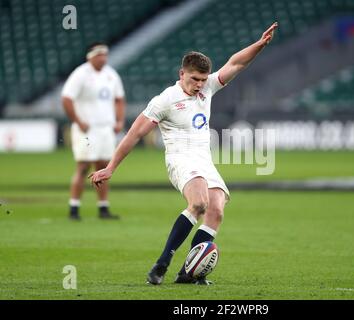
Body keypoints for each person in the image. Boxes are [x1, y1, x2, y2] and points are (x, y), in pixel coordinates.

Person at [89, 22, 278, 284]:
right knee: (199, 203)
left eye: (203, 79)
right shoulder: (165, 100)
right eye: (194, 79)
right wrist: (111, 167)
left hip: (204, 159)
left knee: (217, 210)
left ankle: (188, 273)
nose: (199, 85)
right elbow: (134, 133)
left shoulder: (208, 87)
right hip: (180, 158)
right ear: (181, 74)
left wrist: (259, 44)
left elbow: (236, 63)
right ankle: (162, 262)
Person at [62, 42, 126, 220]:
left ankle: (103, 207)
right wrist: (78, 120)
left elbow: (119, 99)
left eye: (105, 54)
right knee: (83, 167)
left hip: (106, 128)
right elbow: (67, 99)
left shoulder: (111, 75)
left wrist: (119, 120)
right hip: (87, 129)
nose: (103, 58)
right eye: (99, 54)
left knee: (103, 169)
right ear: (90, 56)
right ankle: (74, 207)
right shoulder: (80, 74)